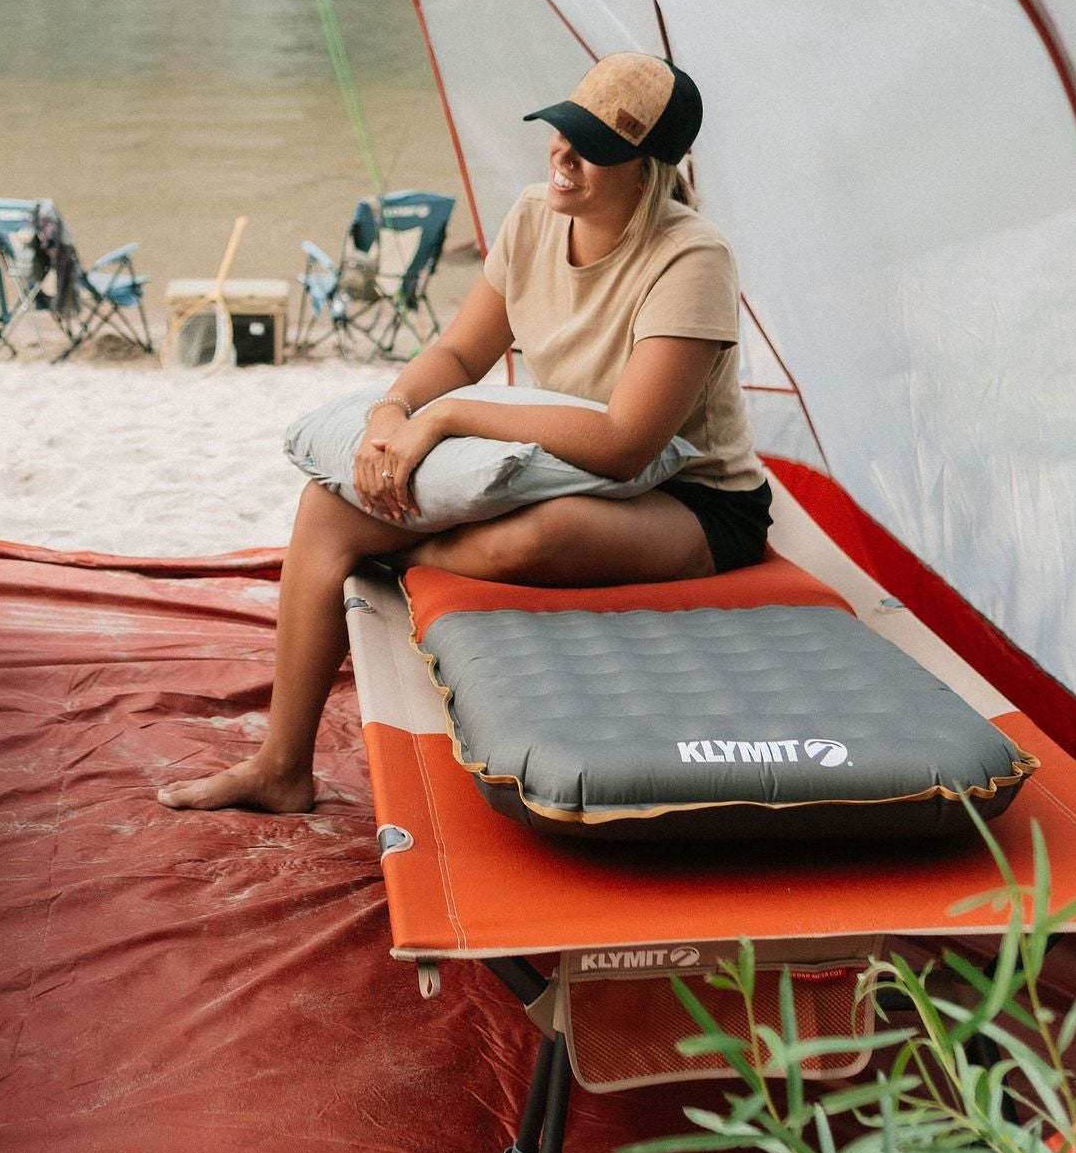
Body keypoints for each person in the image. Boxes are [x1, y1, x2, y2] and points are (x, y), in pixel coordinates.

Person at [160, 53, 770, 815]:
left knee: (534, 537)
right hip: (555, 459)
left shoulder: (693, 257)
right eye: (561, 131)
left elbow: (626, 443)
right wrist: (394, 410)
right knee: (328, 506)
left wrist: (443, 418)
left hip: (691, 500)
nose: (563, 155)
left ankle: (380, 560)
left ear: (647, 171)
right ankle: (281, 767)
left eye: (594, 148)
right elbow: (457, 353)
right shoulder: (531, 217)